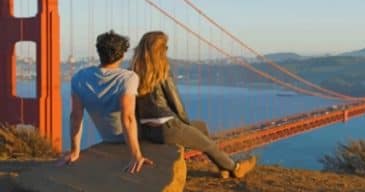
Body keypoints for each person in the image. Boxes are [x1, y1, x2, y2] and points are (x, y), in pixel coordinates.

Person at [131, 31, 256, 179]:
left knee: (201, 126)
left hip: (147, 130)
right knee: (208, 144)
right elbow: (175, 102)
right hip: (168, 129)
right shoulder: (162, 71)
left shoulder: (133, 72)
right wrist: (185, 124)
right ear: (161, 50)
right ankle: (235, 168)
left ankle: (222, 167)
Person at [63, 31, 153, 174]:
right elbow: (128, 118)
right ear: (122, 54)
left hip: (109, 138)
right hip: (138, 137)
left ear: (99, 52)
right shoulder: (128, 78)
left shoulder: (79, 77)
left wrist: (75, 151)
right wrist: (136, 155)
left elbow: (75, 116)